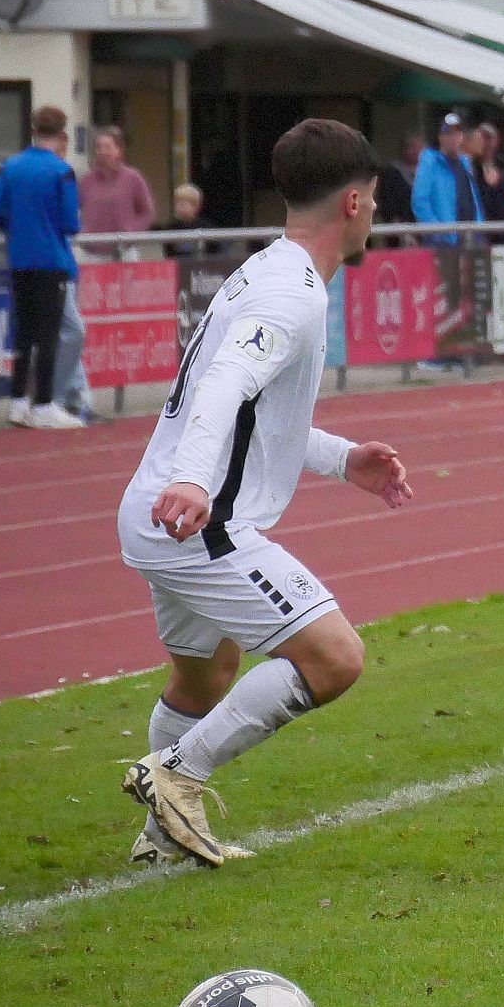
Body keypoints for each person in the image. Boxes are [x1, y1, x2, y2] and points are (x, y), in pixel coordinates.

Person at [116, 117, 413, 867]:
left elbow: (258, 417)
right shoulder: (292, 293)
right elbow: (224, 384)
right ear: (353, 202)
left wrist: (343, 460)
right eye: (374, 198)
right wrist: (193, 479)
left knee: (205, 675)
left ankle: (162, 838)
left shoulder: (268, 270)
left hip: (159, 513)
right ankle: (177, 776)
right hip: (197, 519)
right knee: (335, 658)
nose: (375, 212)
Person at [0, 104, 85, 429]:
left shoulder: (12, 166)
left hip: (19, 259)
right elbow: (71, 223)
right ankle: (43, 403)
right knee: (49, 335)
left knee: (24, 333)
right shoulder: (61, 171)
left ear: (33, 130)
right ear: (60, 133)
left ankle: (17, 402)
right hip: (51, 259)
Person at [79, 125, 155, 260]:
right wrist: (83, 231)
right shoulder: (86, 181)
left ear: (119, 150)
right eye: (99, 147)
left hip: (125, 253)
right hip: (92, 254)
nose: (102, 152)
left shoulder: (133, 178)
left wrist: (131, 232)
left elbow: (147, 212)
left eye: (107, 147)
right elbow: (74, 210)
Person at [411, 113, 483, 245]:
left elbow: (473, 200)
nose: (453, 138)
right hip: (443, 242)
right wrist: (438, 234)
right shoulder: (429, 162)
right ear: (440, 137)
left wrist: (479, 231)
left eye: (457, 133)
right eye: (447, 133)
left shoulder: (466, 162)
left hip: (471, 238)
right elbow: (420, 201)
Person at [470, 122, 504, 242]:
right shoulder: (470, 168)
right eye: (482, 138)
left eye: (489, 138)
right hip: (482, 233)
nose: (486, 143)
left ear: (496, 141)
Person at [376, 133, 422, 226]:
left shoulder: (428, 173)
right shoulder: (391, 173)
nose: (416, 151)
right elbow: (387, 201)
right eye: (412, 147)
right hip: (400, 227)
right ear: (404, 149)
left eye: (419, 147)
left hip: (427, 227)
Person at [162, 184, 220, 258]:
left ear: (196, 206)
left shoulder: (206, 228)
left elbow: (214, 253)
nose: (179, 207)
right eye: (177, 203)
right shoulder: (171, 228)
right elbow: (169, 254)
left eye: (183, 204)